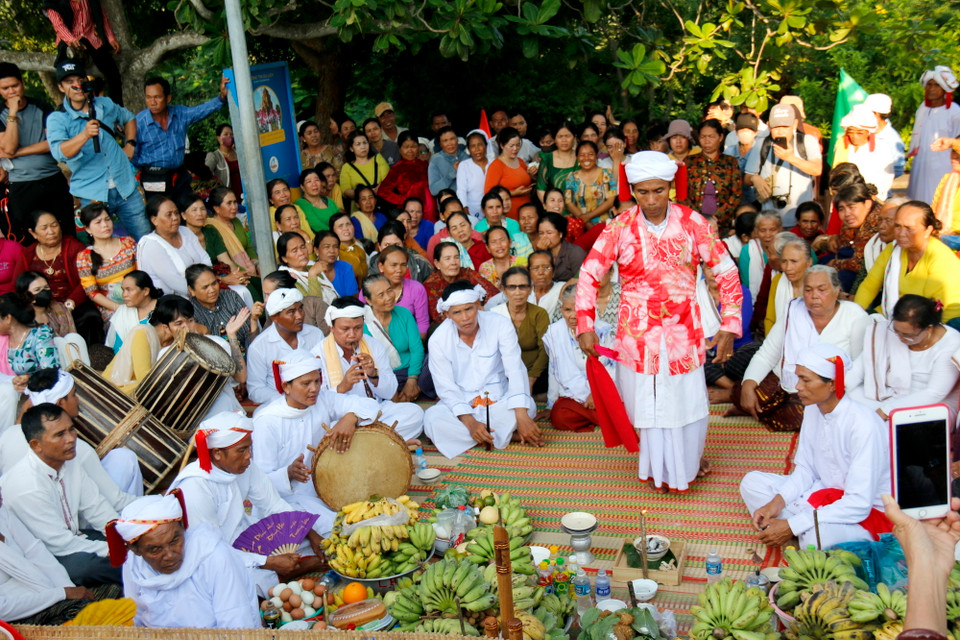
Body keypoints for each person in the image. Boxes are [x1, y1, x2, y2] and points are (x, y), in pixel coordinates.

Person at [576, 151, 741, 492]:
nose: (651, 200)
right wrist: (585, 324)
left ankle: (688, 464)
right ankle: (659, 469)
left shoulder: (694, 222)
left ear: (671, 187)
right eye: (643, 192)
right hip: (637, 333)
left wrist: (730, 324)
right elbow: (589, 274)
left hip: (684, 329)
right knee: (648, 403)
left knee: (687, 399)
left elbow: (725, 272)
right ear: (632, 190)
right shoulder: (618, 227)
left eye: (658, 191)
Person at [740, 343, 890, 549]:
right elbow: (806, 470)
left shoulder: (864, 425)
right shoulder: (812, 409)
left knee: (818, 536)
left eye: (805, 380)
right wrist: (776, 503)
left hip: (864, 514)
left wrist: (793, 525)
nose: (798, 386)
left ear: (832, 384)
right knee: (751, 483)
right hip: (823, 493)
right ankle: (794, 527)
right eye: (798, 377)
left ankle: (797, 530)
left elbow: (858, 505)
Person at [168, 413, 323, 594]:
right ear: (218, 453)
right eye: (242, 450)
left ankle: (294, 567)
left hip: (247, 538)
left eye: (250, 448)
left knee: (313, 536)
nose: (249, 456)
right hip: (215, 555)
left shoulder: (244, 466)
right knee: (250, 581)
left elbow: (274, 506)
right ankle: (296, 570)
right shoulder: (195, 487)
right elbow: (209, 550)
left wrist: (310, 534)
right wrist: (268, 562)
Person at [252, 354, 380, 538]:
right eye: (306, 384)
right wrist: (288, 473)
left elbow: (370, 405)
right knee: (337, 529)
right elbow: (258, 484)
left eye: (317, 381)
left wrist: (350, 418)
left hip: (324, 487)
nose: (314, 389)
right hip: (284, 500)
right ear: (286, 386)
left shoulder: (323, 400)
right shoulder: (266, 421)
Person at [731, 266, 867, 432]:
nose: (814, 296)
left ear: (837, 290)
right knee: (743, 392)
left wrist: (833, 391)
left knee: (802, 416)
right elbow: (767, 354)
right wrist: (748, 384)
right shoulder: (793, 309)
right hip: (785, 382)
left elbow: (861, 365)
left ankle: (762, 411)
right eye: (808, 290)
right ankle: (760, 407)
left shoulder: (854, 315)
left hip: (829, 389)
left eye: (822, 289)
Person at [0, 403, 120, 585]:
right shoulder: (27, 485)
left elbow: (97, 508)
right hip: (47, 558)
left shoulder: (69, 461)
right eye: (60, 435)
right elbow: (60, 544)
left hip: (75, 538)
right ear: (36, 445)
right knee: (98, 566)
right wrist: (114, 549)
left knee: (140, 540)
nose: (71, 439)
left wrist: (123, 539)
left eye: (71, 429)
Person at [109, 492, 261, 628]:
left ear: (183, 527)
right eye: (155, 549)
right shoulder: (133, 565)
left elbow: (236, 626)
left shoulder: (214, 556)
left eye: (175, 540)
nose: (169, 555)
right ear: (135, 550)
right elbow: (136, 618)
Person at [424, 281, 541, 457]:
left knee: (527, 407)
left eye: (469, 309)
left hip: (499, 401)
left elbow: (515, 370)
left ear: (478, 305)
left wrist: (521, 414)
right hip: (464, 405)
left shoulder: (500, 324)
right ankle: (507, 435)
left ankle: (483, 435)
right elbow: (446, 387)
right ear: (447, 314)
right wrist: (470, 422)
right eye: (457, 312)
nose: (465, 318)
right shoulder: (438, 340)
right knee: (432, 419)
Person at [46, 59, 150, 240]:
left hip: (126, 187)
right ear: (61, 87)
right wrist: (84, 135)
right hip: (93, 194)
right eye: (70, 83)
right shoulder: (57, 118)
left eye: (79, 79)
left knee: (146, 239)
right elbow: (59, 152)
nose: (77, 86)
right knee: (101, 246)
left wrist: (130, 143)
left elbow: (128, 117)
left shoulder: (105, 104)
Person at [312, 298, 424, 442]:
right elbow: (316, 401)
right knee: (320, 431)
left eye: (358, 328)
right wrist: (342, 386)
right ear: (331, 328)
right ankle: (381, 442)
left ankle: (362, 443)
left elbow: (390, 392)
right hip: (339, 419)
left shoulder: (373, 345)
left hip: (374, 413)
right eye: (345, 329)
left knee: (415, 413)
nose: (352, 334)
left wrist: (374, 374)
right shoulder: (317, 354)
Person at [0, 483, 104, 624]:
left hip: (44, 591)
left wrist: (71, 590)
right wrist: (62, 594)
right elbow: (4, 609)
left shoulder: (2, 512)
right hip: (16, 615)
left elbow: (34, 550)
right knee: (85, 614)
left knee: (110, 591)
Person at [848, 295, 960, 422]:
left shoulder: (950, 343)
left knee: (886, 430)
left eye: (908, 335)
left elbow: (934, 393)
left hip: (931, 405)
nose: (900, 338)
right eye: (896, 331)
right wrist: (840, 388)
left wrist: (888, 410)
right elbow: (860, 368)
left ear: (929, 328)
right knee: (848, 398)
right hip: (892, 394)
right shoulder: (887, 332)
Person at [0, 63, 75, 242]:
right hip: (22, 184)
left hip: (52, 178)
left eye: (15, 85)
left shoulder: (41, 106)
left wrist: (18, 153)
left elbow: (53, 143)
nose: (11, 91)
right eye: (5, 88)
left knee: (66, 232)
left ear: (23, 83)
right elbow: (9, 146)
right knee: (28, 237)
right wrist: (12, 111)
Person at [855, 201, 960, 327]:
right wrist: (855, 314)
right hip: (891, 315)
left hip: (931, 323)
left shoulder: (940, 259)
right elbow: (869, 285)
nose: (901, 234)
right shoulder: (892, 249)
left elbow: (940, 310)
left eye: (909, 228)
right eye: (898, 226)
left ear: (928, 230)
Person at [133, 76, 228, 201]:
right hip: (154, 180)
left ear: (168, 98)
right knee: (162, 216)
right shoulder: (139, 123)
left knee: (188, 211)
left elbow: (200, 110)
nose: (152, 102)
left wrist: (221, 98)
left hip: (179, 176)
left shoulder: (180, 114)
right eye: (148, 97)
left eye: (157, 97)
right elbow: (132, 155)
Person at [543, 283, 615, 432]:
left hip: (603, 392)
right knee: (559, 416)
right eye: (568, 310)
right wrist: (551, 405)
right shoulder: (554, 333)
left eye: (578, 310)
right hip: (573, 395)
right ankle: (603, 418)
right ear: (561, 309)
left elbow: (614, 368)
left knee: (621, 405)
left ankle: (600, 416)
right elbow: (553, 370)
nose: (573, 316)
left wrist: (596, 394)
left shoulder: (605, 331)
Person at [744, 103, 822, 227]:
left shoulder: (807, 141)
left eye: (785, 126)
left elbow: (817, 169)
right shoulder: (761, 144)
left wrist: (790, 158)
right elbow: (747, 177)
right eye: (776, 127)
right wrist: (755, 178)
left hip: (801, 222)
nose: (780, 131)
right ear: (769, 126)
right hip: (771, 221)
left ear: (795, 124)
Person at [246, 288, 324, 404]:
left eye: (300, 309)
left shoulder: (315, 334)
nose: (299, 316)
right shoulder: (259, 347)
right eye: (291, 311)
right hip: (279, 407)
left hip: (317, 400)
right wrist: (290, 399)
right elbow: (256, 390)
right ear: (274, 317)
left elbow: (324, 373)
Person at [43, 1, 122, 104]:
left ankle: (117, 110)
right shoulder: (54, 2)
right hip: (67, 40)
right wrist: (71, 39)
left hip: (90, 38)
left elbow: (101, 17)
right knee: (69, 76)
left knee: (113, 73)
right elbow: (58, 24)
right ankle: (71, 110)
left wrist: (110, 38)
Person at [361, 274, 424, 401]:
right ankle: (406, 395)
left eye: (390, 291)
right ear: (368, 300)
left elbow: (416, 349)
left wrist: (412, 379)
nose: (389, 297)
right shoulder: (362, 323)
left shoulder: (404, 313)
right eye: (381, 295)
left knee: (432, 362)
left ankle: (410, 390)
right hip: (384, 375)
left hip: (410, 370)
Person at [137, 195, 211, 297]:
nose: (175, 218)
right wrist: (204, 291)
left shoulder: (185, 231)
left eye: (176, 213)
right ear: (155, 220)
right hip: (174, 301)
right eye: (169, 215)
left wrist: (209, 284)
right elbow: (176, 282)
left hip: (203, 290)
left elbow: (205, 258)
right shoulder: (151, 245)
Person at [490, 267, 548, 392]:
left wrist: (531, 378)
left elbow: (545, 349)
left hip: (536, 374)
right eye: (512, 287)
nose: (518, 292)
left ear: (530, 289)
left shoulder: (539, 314)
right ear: (504, 290)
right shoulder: (495, 314)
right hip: (504, 375)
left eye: (523, 286)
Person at [76, 202, 137, 320]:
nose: (105, 225)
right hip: (111, 309)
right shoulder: (84, 257)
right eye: (98, 222)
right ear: (88, 229)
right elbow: (92, 293)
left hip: (139, 299)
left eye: (107, 219)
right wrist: (119, 308)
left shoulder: (128, 243)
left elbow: (142, 272)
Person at [908, 66, 960, 204]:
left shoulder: (955, 112)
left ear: (944, 88)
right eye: (929, 84)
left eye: (936, 85)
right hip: (921, 164)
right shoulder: (922, 109)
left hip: (943, 166)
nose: (931, 88)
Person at [682, 119, 743, 234]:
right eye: (703, 137)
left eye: (711, 137)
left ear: (720, 137)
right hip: (693, 223)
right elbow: (682, 195)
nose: (707, 141)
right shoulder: (689, 162)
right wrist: (698, 218)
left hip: (723, 225)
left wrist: (717, 217)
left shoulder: (730, 162)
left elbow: (736, 195)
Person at [186, 264, 261, 349]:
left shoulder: (231, 297)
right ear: (191, 290)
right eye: (205, 287)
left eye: (214, 283)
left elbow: (249, 334)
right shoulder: (189, 312)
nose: (212, 290)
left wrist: (253, 320)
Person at [425, 242, 499, 324]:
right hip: (450, 324)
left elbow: (493, 293)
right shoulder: (431, 285)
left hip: (477, 318)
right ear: (437, 263)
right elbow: (438, 315)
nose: (453, 262)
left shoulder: (468, 273)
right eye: (447, 259)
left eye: (456, 257)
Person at [833, 104, 895, 201]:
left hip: (872, 198)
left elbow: (887, 178)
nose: (854, 136)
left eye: (859, 132)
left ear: (868, 132)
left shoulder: (882, 147)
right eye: (851, 131)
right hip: (843, 198)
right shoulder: (841, 145)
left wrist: (872, 195)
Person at [365, 245, 429, 335]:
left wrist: (415, 343)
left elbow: (423, 323)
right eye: (393, 265)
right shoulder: (370, 287)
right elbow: (361, 318)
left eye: (403, 265)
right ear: (381, 267)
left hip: (409, 340)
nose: (399, 270)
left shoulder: (416, 288)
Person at [764, 235, 813, 334]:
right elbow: (770, 319)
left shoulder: (817, 285)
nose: (788, 268)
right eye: (784, 261)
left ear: (809, 263)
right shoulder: (777, 281)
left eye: (794, 261)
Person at [563, 141, 616, 233]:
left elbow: (611, 200)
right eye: (582, 155)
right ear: (577, 157)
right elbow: (569, 203)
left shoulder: (607, 173)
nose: (586, 158)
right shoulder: (572, 177)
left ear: (596, 156)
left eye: (590, 154)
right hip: (580, 227)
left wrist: (588, 217)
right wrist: (586, 223)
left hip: (605, 227)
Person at [206, 187, 258, 277]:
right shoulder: (211, 228)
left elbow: (248, 245)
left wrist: (256, 262)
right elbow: (223, 259)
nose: (234, 207)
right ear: (216, 208)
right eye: (229, 203)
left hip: (250, 268)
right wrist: (247, 271)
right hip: (231, 273)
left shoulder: (236, 221)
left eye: (235, 202)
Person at [18, 271, 79, 346]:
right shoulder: (22, 319)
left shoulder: (60, 308)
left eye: (46, 287)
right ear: (26, 295)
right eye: (37, 290)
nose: (44, 292)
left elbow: (73, 336)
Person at [106, 270, 160, 352]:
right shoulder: (122, 312)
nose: (124, 294)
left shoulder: (162, 310)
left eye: (129, 290)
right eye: (123, 290)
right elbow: (110, 345)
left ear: (145, 291)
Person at [485, 127, 532, 219]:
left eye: (518, 145)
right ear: (502, 145)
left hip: (526, 209)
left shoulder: (520, 161)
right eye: (511, 146)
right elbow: (488, 193)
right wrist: (513, 193)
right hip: (509, 212)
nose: (515, 149)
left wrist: (533, 175)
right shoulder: (496, 166)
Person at [261, 271, 329, 335]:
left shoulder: (315, 304)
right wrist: (254, 321)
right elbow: (262, 343)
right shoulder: (276, 313)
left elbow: (329, 337)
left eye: (269, 294)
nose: (266, 300)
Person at [379, 131, 432, 214]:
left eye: (413, 146)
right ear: (399, 148)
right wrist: (403, 200)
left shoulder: (425, 164)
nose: (410, 150)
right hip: (410, 212)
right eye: (406, 147)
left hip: (430, 208)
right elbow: (382, 191)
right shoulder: (397, 169)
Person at [366, 221, 434, 283]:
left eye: (397, 245)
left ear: (403, 244)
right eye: (387, 245)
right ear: (379, 246)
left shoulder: (419, 262)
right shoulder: (372, 269)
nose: (392, 249)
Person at [339, 131, 390, 212]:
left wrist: (378, 190)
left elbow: (388, 179)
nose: (363, 147)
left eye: (365, 143)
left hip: (382, 204)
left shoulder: (378, 158)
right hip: (359, 210)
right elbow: (345, 190)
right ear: (351, 148)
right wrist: (364, 195)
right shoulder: (347, 167)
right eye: (358, 144)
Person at [536, 212, 586, 282]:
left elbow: (582, 280)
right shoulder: (541, 251)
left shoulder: (575, 252)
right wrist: (542, 254)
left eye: (549, 233)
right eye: (541, 233)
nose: (545, 237)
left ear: (560, 234)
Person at [723, 112, 760, 205]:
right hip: (732, 203)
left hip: (756, 202)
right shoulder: (729, 152)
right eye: (742, 130)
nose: (745, 133)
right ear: (736, 132)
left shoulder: (761, 151)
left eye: (749, 130)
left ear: (756, 133)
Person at [456, 130, 491, 219]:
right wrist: (466, 212)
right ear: (468, 149)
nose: (477, 149)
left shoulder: (493, 163)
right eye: (473, 146)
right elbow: (461, 191)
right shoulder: (464, 166)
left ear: (486, 146)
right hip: (473, 212)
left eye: (480, 145)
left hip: (493, 210)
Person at [295, 166, 340, 234]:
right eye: (309, 181)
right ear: (302, 187)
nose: (314, 184)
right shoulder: (301, 203)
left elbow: (340, 220)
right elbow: (315, 225)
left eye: (317, 180)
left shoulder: (329, 201)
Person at [204, 123, 242, 200]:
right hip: (227, 197)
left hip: (244, 194)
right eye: (226, 134)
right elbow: (205, 174)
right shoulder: (214, 156)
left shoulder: (239, 153)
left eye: (231, 134)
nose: (229, 137)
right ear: (219, 138)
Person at [429, 126, 469, 196]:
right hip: (448, 203)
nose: (450, 143)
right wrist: (450, 175)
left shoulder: (466, 157)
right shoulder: (436, 160)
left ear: (457, 140)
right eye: (445, 141)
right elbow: (434, 190)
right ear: (440, 144)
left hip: (469, 202)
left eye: (452, 139)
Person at [330, 211, 369, 282]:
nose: (345, 228)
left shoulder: (358, 245)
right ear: (333, 231)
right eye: (340, 226)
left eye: (348, 224)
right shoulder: (333, 253)